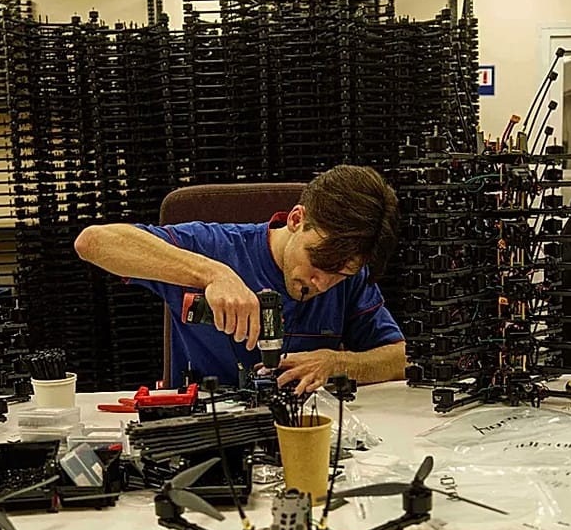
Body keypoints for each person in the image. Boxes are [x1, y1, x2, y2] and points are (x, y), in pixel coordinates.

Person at [75, 165, 406, 394]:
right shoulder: (216, 247)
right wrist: (213, 274)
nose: (322, 282)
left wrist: (338, 363)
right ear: (296, 219)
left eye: (341, 273)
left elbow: (402, 357)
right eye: (318, 261)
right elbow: (93, 242)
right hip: (209, 431)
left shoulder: (349, 275)